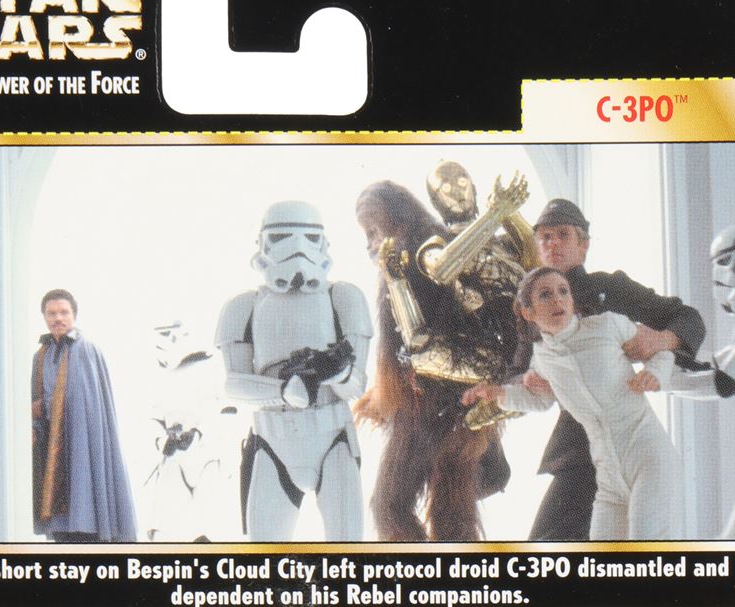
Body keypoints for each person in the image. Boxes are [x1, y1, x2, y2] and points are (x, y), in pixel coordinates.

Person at [354, 167, 531, 542]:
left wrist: (500, 213)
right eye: (366, 235)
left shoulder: (422, 249)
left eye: (372, 231)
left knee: (395, 508)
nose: (370, 243)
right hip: (448, 403)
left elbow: (418, 338)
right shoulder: (418, 249)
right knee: (443, 512)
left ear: (394, 222)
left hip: (436, 402)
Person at [522, 199, 710, 540]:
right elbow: (517, 369)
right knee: (544, 548)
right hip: (578, 449)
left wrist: (662, 339)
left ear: (584, 245)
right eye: (545, 237)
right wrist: (528, 381)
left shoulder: (612, 290)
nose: (552, 244)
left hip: (630, 440)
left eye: (563, 234)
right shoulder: (531, 305)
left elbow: (686, 317)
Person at [466, 267, 680, 541]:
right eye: (545, 295)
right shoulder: (542, 358)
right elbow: (540, 401)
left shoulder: (607, 326)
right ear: (528, 312)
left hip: (648, 456)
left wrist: (654, 374)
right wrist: (498, 394)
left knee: (646, 547)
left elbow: (661, 350)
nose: (557, 299)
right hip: (608, 475)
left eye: (563, 291)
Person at [215, 201, 371, 542]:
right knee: (264, 555)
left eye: (308, 237)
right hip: (273, 442)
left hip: (333, 438)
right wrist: (283, 392)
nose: (296, 247)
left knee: (347, 552)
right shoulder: (243, 307)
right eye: (283, 237)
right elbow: (233, 385)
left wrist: (334, 373)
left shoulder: (343, 297)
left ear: (323, 242)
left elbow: (357, 384)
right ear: (263, 244)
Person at [30, 289, 136, 542]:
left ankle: (88, 527)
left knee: (82, 478)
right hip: (49, 439)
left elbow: (89, 405)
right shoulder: (40, 355)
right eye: (51, 313)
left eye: (64, 312)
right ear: (44, 317)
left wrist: (57, 412)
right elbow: (35, 397)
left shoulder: (86, 350)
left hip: (80, 438)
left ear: (74, 315)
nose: (58, 318)